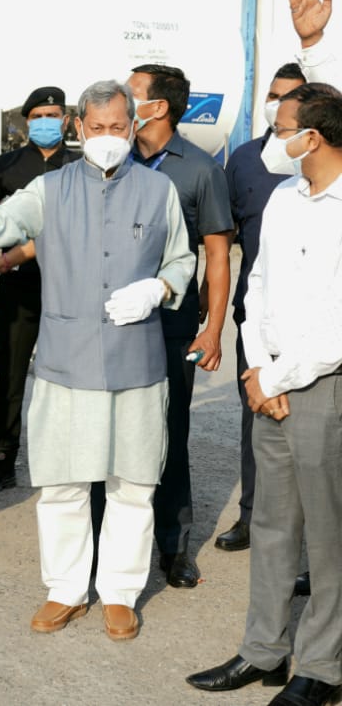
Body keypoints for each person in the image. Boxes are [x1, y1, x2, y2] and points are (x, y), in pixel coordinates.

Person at [0, 80, 195, 641]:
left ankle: (120, 592)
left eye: (119, 127)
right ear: (78, 128)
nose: (108, 138)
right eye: (96, 129)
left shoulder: (158, 190)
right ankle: (66, 589)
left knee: (132, 484)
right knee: (64, 486)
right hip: (66, 361)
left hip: (136, 362)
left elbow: (182, 259)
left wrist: (160, 289)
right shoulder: (52, 188)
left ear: (134, 122)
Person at [185, 84, 342, 706]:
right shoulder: (282, 197)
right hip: (269, 381)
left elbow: (336, 320)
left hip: (323, 384)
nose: (271, 141)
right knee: (273, 524)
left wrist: (277, 378)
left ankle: (324, 668)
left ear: (315, 135)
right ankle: (264, 652)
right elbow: (260, 287)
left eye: (282, 129)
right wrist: (257, 369)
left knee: (328, 534)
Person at [126, 62, 233, 590]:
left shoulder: (200, 170)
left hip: (170, 326)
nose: (124, 100)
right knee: (110, 434)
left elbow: (216, 254)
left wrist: (212, 329)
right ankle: (111, 543)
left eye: (133, 93)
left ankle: (174, 548)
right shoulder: (113, 158)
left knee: (170, 435)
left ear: (159, 106)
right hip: (113, 325)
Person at [213, 62, 306, 554]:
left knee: (312, 428)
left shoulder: (319, 164)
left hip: (314, 325)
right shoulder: (245, 160)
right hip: (256, 318)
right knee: (257, 417)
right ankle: (252, 516)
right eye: (272, 93)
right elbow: (222, 242)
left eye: (289, 96)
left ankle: (311, 537)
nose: (277, 102)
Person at [0, 86, 78, 497]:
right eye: (38, 116)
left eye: (53, 114)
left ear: (66, 120)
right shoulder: (6, 165)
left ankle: (69, 463)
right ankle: (2, 462)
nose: (46, 121)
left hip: (71, 289)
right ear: (26, 121)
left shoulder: (81, 165)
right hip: (19, 288)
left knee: (70, 379)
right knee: (10, 377)